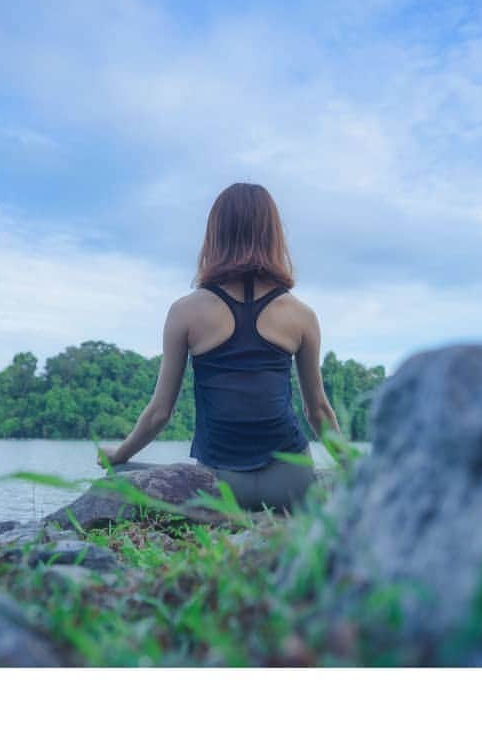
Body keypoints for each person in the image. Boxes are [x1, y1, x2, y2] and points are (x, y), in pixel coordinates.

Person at [97, 182, 343, 513]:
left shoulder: (185, 311)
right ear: (273, 236)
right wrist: (352, 466)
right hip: (291, 481)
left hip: (219, 485)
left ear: (215, 236)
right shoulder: (301, 315)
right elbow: (319, 412)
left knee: (128, 480)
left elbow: (160, 413)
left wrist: (120, 456)